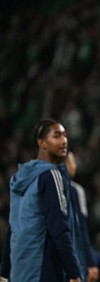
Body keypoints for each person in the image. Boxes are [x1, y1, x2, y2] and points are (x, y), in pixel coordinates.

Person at [8, 118, 81, 281]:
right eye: (57, 136)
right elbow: (59, 228)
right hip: (43, 267)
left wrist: (4, 271)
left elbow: (13, 227)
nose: (64, 141)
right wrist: (74, 272)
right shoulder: (51, 175)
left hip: (19, 269)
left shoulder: (19, 178)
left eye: (65, 136)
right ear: (42, 143)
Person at [65, 152, 100, 282]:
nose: (75, 166)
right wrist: (91, 261)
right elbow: (81, 229)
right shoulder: (75, 190)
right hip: (73, 255)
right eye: (72, 162)